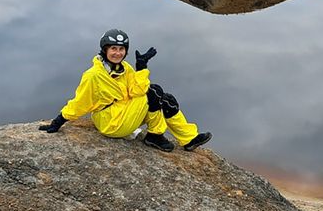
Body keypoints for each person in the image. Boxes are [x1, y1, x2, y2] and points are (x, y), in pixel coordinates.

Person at [40, 28, 212, 153]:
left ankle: (189, 138)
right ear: (105, 49)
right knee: (154, 93)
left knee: (165, 98)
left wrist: (141, 68)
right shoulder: (94, 75)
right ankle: (154, 136)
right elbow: (80, 102)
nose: (117, 53)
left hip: (125, 113)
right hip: (111, 122)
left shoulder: (125, 68)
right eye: (113, 48)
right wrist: (58, 121)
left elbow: (137, 91)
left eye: (121, 49)